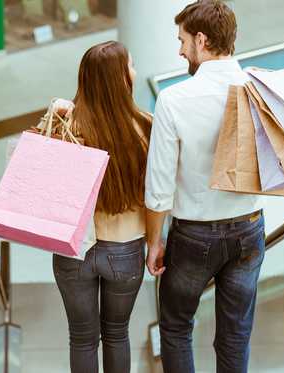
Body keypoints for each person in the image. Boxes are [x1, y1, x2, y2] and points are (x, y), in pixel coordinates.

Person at [144, 1, 265, 372]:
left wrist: (154, 243)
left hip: (195, 235)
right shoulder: (259, 90)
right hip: (249, 227)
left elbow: (160, 185)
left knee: (177, 328)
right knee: (236, 333)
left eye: (182, 41)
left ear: (201, 40)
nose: (180, 50)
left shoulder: (174, 100)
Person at [50, 41, 152, 373]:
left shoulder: (67, 127)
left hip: (75, 248)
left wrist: (54, 117)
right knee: (117, 334)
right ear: (121, 78)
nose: (135, 72)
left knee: (81, 339)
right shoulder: (144, 128)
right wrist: (155, 241)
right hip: (125, 247)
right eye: (131, 66)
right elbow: (157, 193)